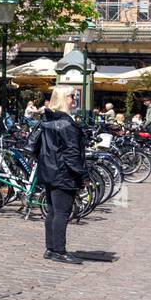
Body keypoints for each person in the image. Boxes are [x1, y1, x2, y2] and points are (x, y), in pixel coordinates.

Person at [31, 86, 88, 265]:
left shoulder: (47, 119)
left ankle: (51, 249)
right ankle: (59, 251)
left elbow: (35, 147)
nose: (74, 100)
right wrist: (83, 175)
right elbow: (72, 154)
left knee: (53, 212)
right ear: (64, 98)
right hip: (63, 173)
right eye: (72, 96)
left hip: (48, 171)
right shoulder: (66, 123)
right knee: (62, 213)